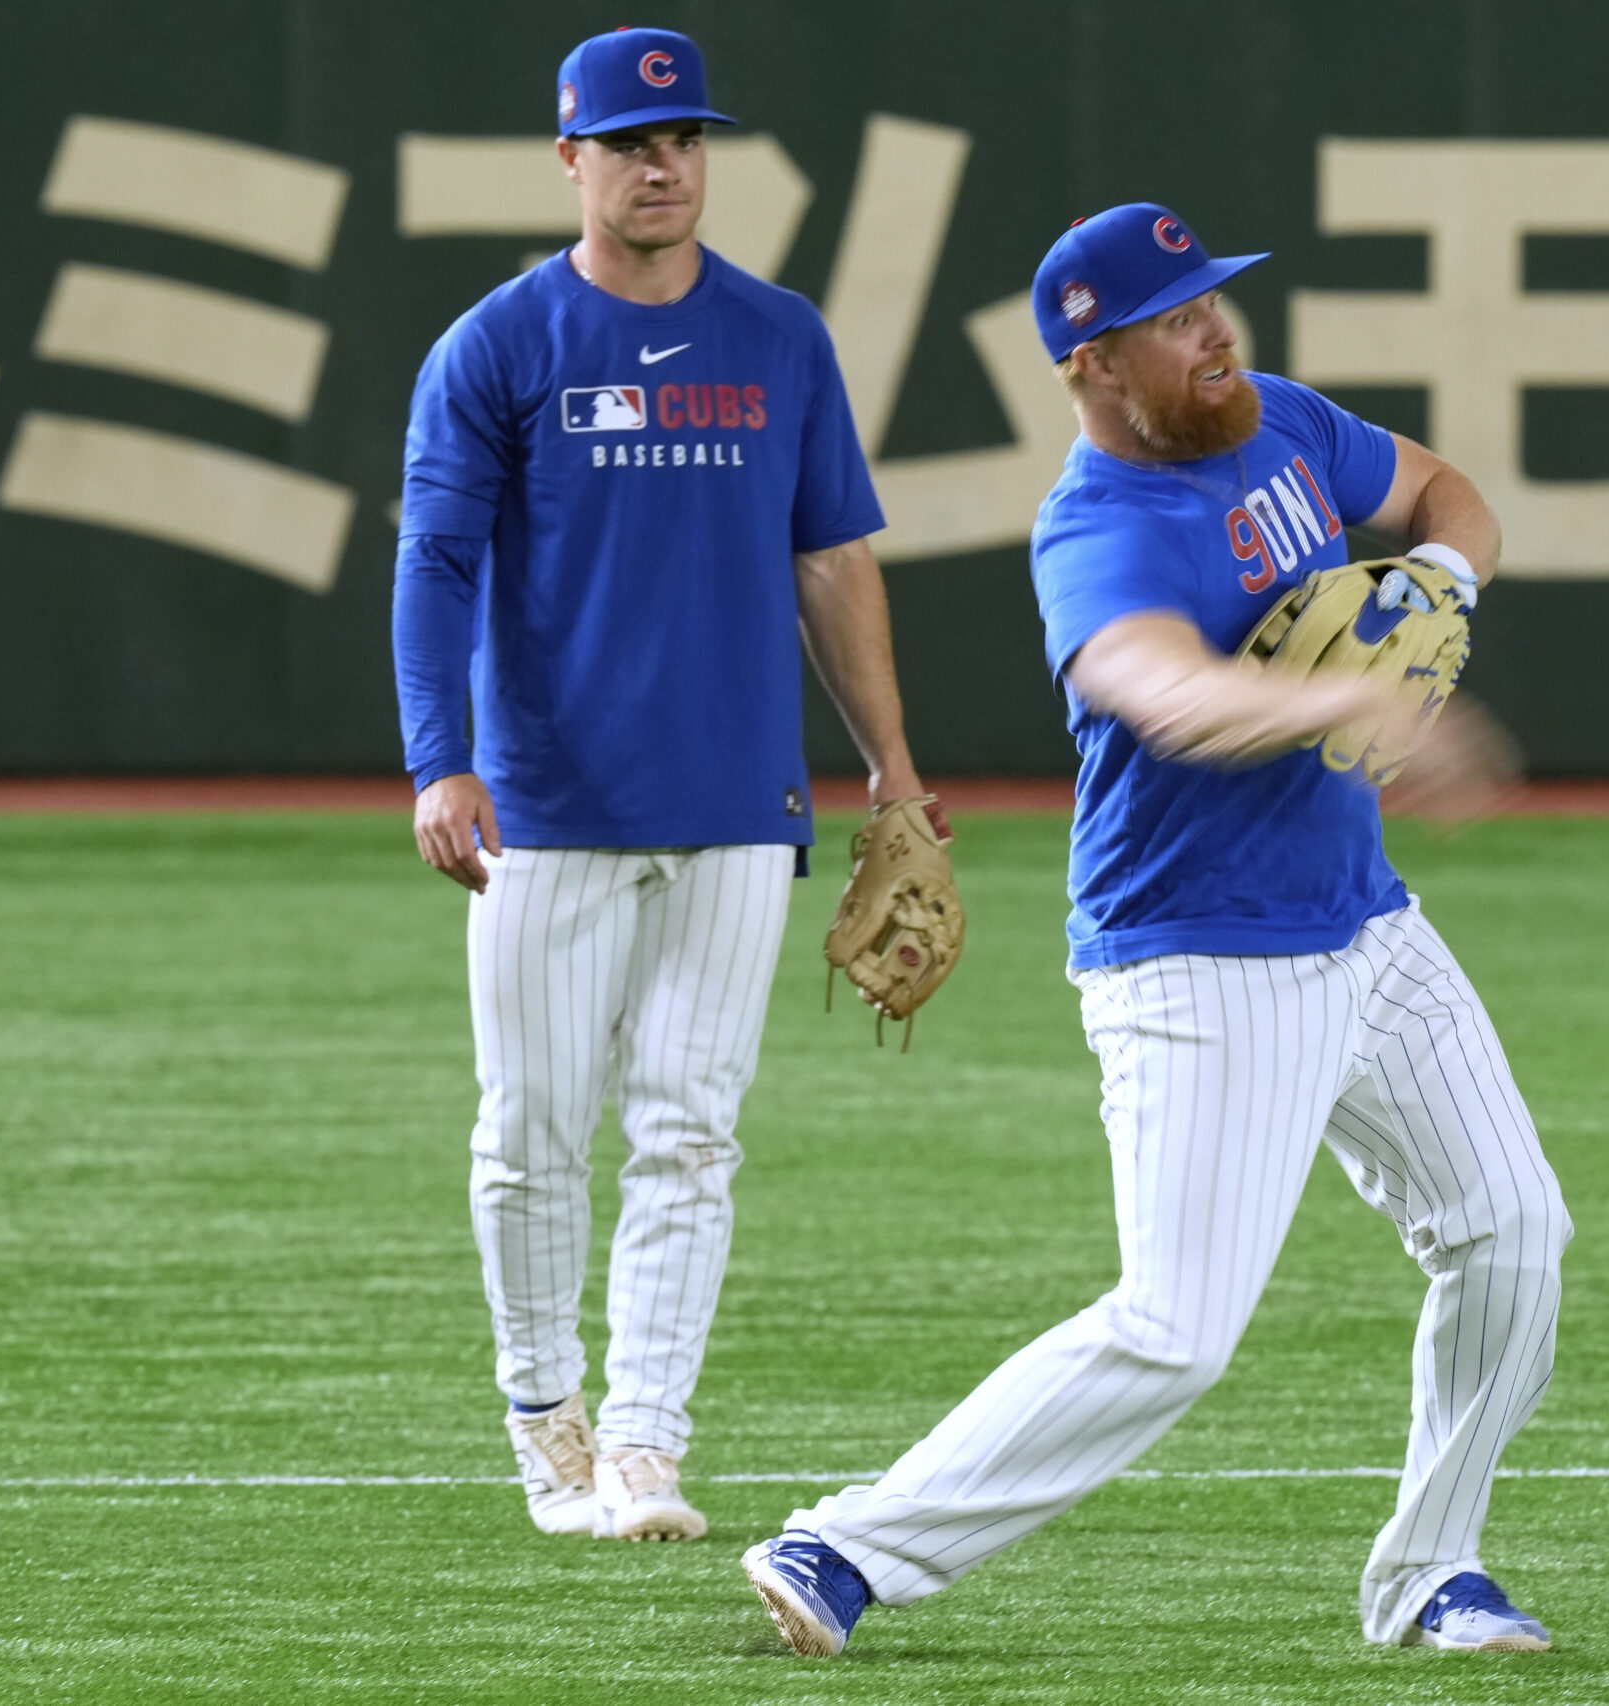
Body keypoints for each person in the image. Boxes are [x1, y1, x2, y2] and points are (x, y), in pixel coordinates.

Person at [742, 204, 1571, 1654]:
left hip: (1367, 931)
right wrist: (1346, 697)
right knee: (1173, 1327)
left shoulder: (1281, 420)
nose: (1215, 332)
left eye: (1213, 302)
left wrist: (1442, 580)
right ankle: (844, 1543)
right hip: (1197, 961)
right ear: (1093, 364)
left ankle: (1432, 1567)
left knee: (1514, 1234)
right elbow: (1165, 688)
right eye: (1177, 318)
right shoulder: (1097, 527)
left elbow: (1445, 492)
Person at [391, 26, 942, 1544]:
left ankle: (644, 1441)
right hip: (549, 808)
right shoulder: (500, 345)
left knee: (691, 1128)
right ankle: (539, 1408)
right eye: (630, 141)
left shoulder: (779, 341)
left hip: (737, 805)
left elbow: (831, 558)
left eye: (685, 138)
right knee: (531, 1127)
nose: (662, 164)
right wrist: (441, 756)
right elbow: (433, 563)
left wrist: (891, 769)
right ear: (570, 157)